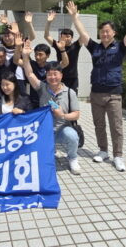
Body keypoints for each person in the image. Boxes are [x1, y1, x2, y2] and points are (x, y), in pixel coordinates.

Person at [67, 0, 126, 172]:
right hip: (96, 93)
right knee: (99, 125)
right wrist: (75, 18)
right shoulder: (95, 48)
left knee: (116, 126)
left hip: (114, 93)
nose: (105, 34)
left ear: (113, 33)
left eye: (108, 31)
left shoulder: (120, 48)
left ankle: (118, 156)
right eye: (102, 32)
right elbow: (83, 35)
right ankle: (103, 150)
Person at [22, 40, 82, 175]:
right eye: (49, 74)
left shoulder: (69, 92)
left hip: (61, 130)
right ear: (46, 76)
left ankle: (72, 158)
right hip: (43, 131)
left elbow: (76, 114)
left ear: (61, 75)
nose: (52, 77)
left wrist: (63, 115)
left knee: (72, 135)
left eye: (55, 74)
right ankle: (48, 151)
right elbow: (30, 74)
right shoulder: (42, 88)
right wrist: (25, 56)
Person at [14, 40, 68, 108]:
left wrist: (62, 50)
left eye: (40, 54)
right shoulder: (31, 64)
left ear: (47, 55)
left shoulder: (51, 66)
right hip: (33, 101)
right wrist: (18, 47)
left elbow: (65, 63)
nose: (37, 57)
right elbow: (16, 61)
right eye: (36, 54)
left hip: (49, 101)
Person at [44, 10, 82, 93]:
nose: (65, 38)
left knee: (72, 99)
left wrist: (76, 18)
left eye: (68, 36)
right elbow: (46, 36)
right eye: (63, 36)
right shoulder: (58, 45)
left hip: (73, 77)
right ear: (60, 37)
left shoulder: (76, 45)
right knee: (59, 98)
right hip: (60, 77)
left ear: (72, 37)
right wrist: (49, 22)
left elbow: (82, 35)